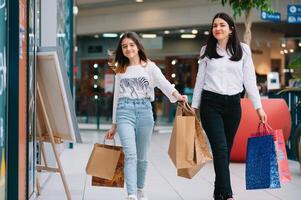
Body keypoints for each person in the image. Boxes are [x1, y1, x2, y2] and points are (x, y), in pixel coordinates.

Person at [190, 13, 267, 200]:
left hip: (233, 104)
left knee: (224, 151)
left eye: (222, 25)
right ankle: (228, 194)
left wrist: (259, 107)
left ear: (231, 29)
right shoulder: (205, 50)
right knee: (221, 148)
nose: (217, 28)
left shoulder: (244, 50)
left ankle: (218, 192)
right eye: (214, 25)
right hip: (210, 104)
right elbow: (200, 80)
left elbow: (250, 80)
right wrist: (194, 106)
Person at [105, 32, 187, 200]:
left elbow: (164, 84)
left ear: (138, 46)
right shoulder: (120, 70)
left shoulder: (149, 67)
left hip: (144, 111)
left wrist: (178, 96)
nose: (128, 49)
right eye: (124, 46)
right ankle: (131, 194)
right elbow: (116, 98)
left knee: (142, 157)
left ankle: (140, 189)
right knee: (130, 154)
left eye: (131, 45)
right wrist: (114, 124)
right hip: (124, 111)